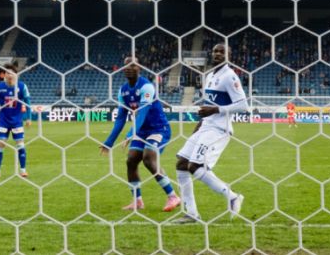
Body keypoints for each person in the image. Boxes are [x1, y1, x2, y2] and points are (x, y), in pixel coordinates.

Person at [174, 44, 247, 224]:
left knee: (195, 166)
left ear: (229, 55)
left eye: (222, 52)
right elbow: (207, 106)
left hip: (219, 130)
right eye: (215, 51)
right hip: (206, 127)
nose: (217, 54)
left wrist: (216, 109)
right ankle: (192, 214)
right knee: (182, 164)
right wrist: (198, 126)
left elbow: (243, 106)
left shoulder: (230, 77)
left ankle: (233, 197)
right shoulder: (209, 76)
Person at [100, 57, 180, 212]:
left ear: (139, 68)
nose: (129, 68)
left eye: (133, 65)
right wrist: (109, 142)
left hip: (158, 129)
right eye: (126, 66)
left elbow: (142, 113)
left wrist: (130, 134)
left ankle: (173, 196)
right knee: (131, 160)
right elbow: (121, 118)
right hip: (142, 131)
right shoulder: (123, 90)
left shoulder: (147, 87)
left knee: (148, 158)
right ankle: (137, 201)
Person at [0, 62, 31, 178]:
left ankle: (23, 170)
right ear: (4, 75)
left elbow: (28, 103)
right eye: (7, 73)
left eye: (12, 73)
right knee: (1, 143)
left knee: (20, 144)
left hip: (17, 121)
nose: (10, 75)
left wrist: (28, 118)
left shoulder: (22, 86)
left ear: (16, 75)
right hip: (4, 120)